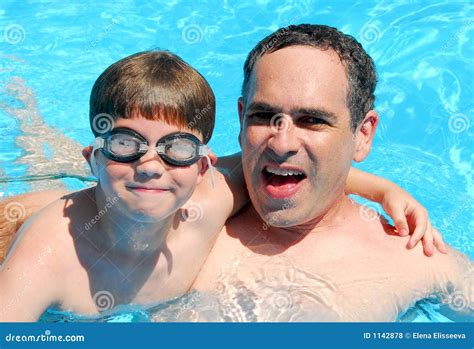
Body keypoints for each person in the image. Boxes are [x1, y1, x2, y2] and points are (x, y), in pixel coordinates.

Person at [0, 49, 445, 322]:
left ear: (202, 167)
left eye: (174, 149)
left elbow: (296, 163)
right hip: (18, 220)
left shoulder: (210, 198)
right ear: (95, 158)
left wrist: (384, 191)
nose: (151, 165)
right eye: (124, 144)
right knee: (37, 168)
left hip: (107, 194)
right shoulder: (48, 254)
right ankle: (27, 120)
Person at [191, 24, 473, 321]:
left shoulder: (415, 262)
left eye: (312, 120)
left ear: (363, 135)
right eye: (263, 116)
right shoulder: (183, 226)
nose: (282, 144)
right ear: (240, 119)